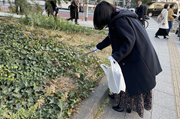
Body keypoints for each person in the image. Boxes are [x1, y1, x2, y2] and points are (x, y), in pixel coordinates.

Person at [93, 1, 162, 118]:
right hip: (135, 54)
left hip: (137, 57)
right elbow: (112, 36)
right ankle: (118, 97)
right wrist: (99, 46)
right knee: (122, 78)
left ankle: (127, 106)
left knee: (130, 83)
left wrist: (116, 56)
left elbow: (129, 41)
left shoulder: (119, 21)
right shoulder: (118, 17)